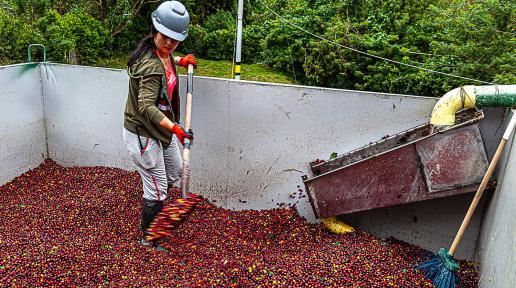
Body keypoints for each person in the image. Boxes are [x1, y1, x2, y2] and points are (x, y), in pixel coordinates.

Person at [122, 0, 196, 249]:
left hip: (160, 130)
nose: (170, 43)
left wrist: (179, 61)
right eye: (166, 37)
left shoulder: (162, 54)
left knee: (174, 172)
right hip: (144, 132)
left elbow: (165, 57)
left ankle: (155, 194)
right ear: (156, 29)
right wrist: (175, 129)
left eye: (175, 40)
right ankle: (149, 238)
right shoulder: (151, 65)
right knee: (158, 188)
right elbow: (146, 106)